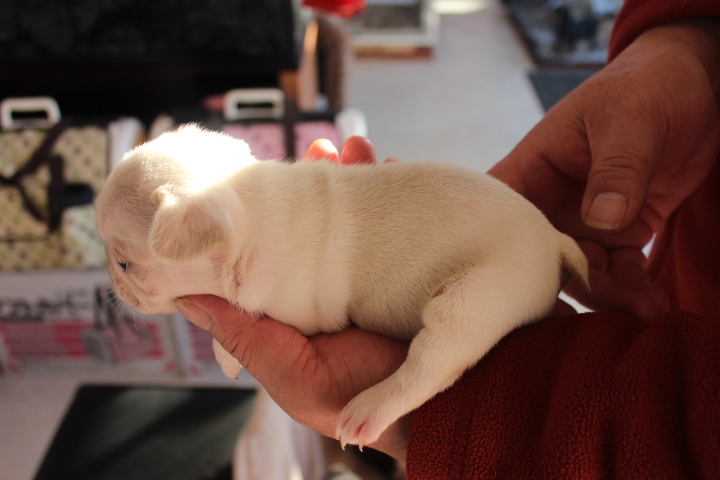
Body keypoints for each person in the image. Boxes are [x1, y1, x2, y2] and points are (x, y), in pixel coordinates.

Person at [176, 1, 720, 477]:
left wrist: (447, 419)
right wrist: (691, 42)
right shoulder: (267, 204)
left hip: (520, 284)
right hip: (664, 282)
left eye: (134, 265)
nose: (131, 286)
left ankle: (409, 386)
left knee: (457, 319)